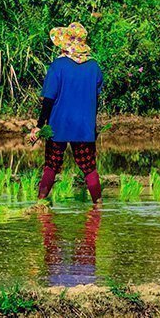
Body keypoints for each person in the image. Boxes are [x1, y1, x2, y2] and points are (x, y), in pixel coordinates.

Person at [29, 22, 104, 204]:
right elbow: (95, 101)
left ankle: (40, 202)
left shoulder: (58, 65)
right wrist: (93, 127)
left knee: (51, 166)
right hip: (84, 128)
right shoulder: (94, 67)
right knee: (89, 168)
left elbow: (48, 99)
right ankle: (98, 205)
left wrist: (39, 126)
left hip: (59, 126)